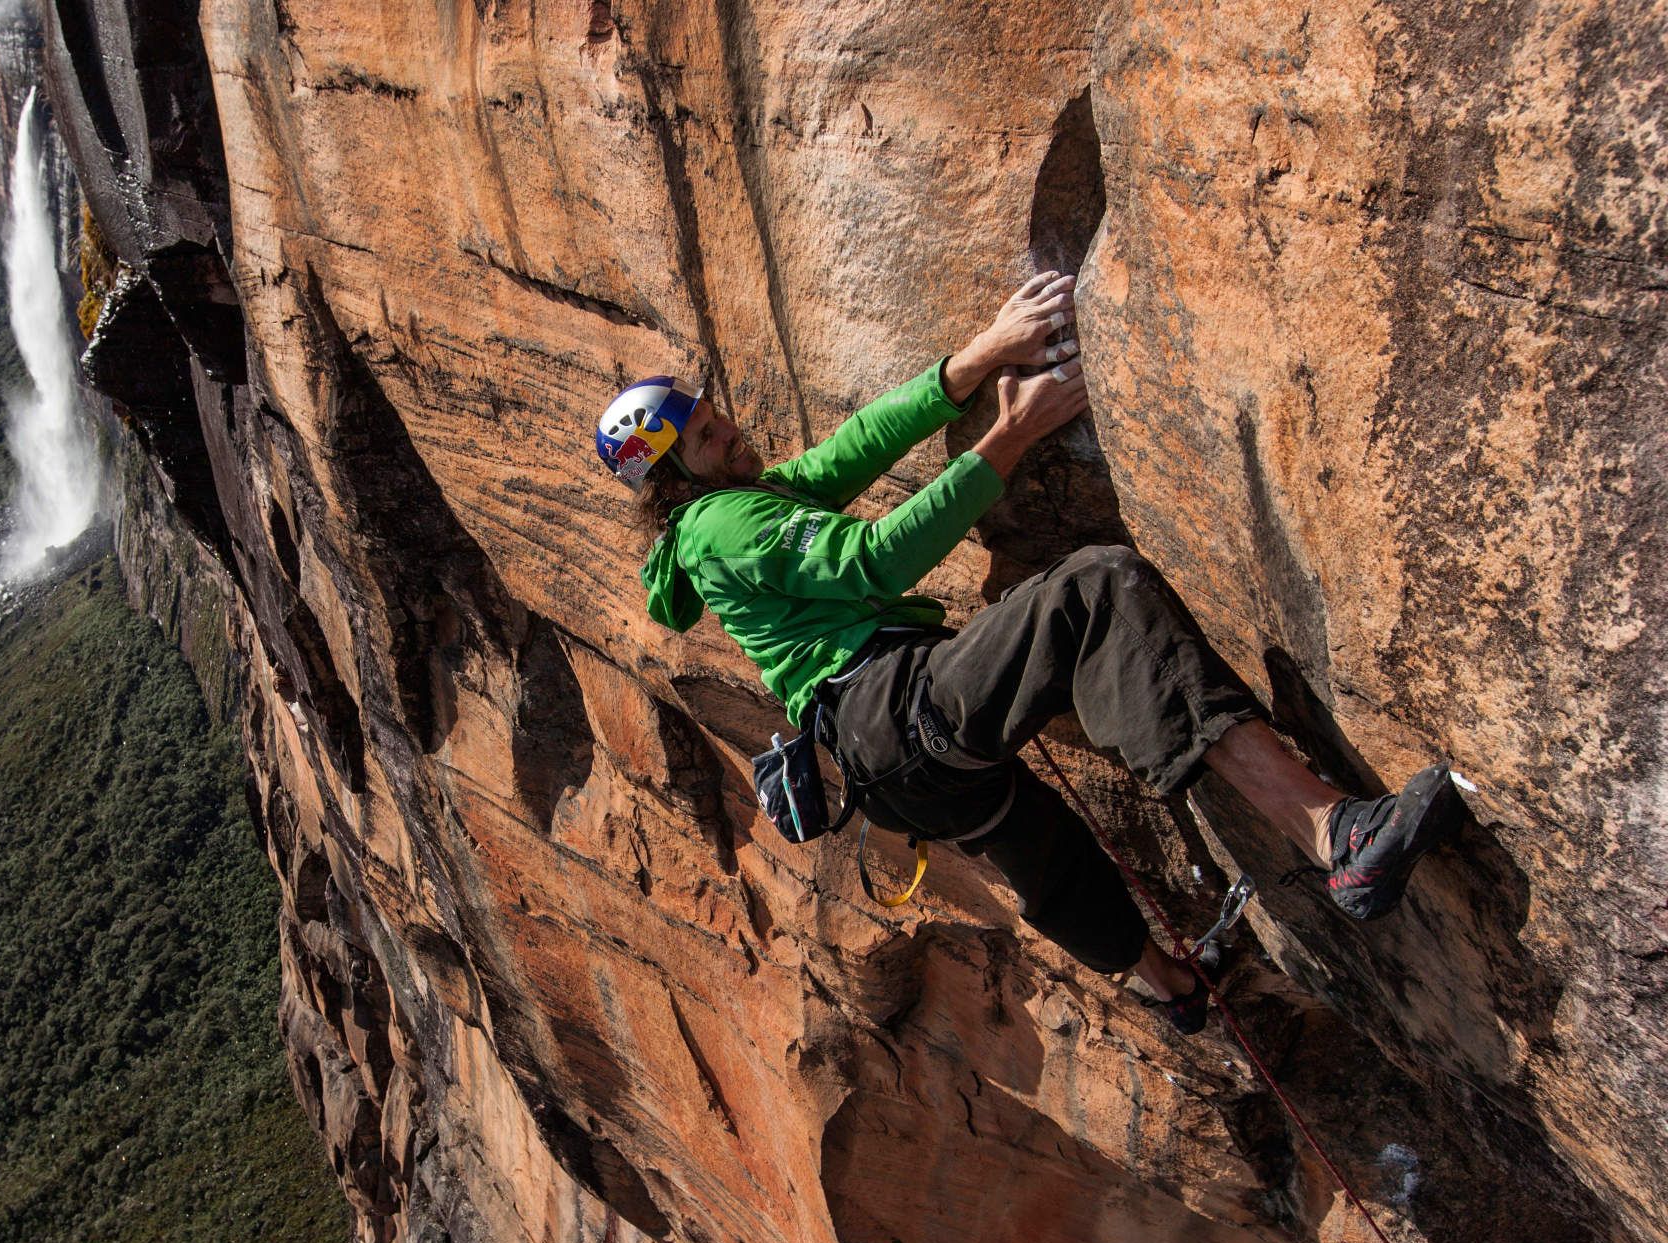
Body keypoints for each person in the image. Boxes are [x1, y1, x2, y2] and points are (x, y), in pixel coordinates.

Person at [594, 272, 1462, 1033]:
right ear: (671, 481)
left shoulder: (735, 498)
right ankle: (1332, 833)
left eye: (713, 415)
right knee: (1096, 589)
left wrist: (971, 362)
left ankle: (1170, 989)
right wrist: (1008, 435)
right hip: (892, 707)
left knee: (1043, 852)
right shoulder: (721, 522)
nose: (732, 430)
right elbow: (872, 563)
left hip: (888, 768)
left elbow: (853, 448)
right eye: (708, 438)